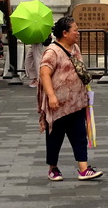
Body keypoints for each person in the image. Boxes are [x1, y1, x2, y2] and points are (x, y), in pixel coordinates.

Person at [37, 16, 102, 182]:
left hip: (76, 101)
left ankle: (83, 169)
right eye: (75, 30)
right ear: (65, 33)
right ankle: (53, 168)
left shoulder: (75, 48)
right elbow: (44, 73)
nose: (78, 33)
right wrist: (51, 96)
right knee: (55, 137)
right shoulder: (52, 51)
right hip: (58, 103)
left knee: (79, 134)